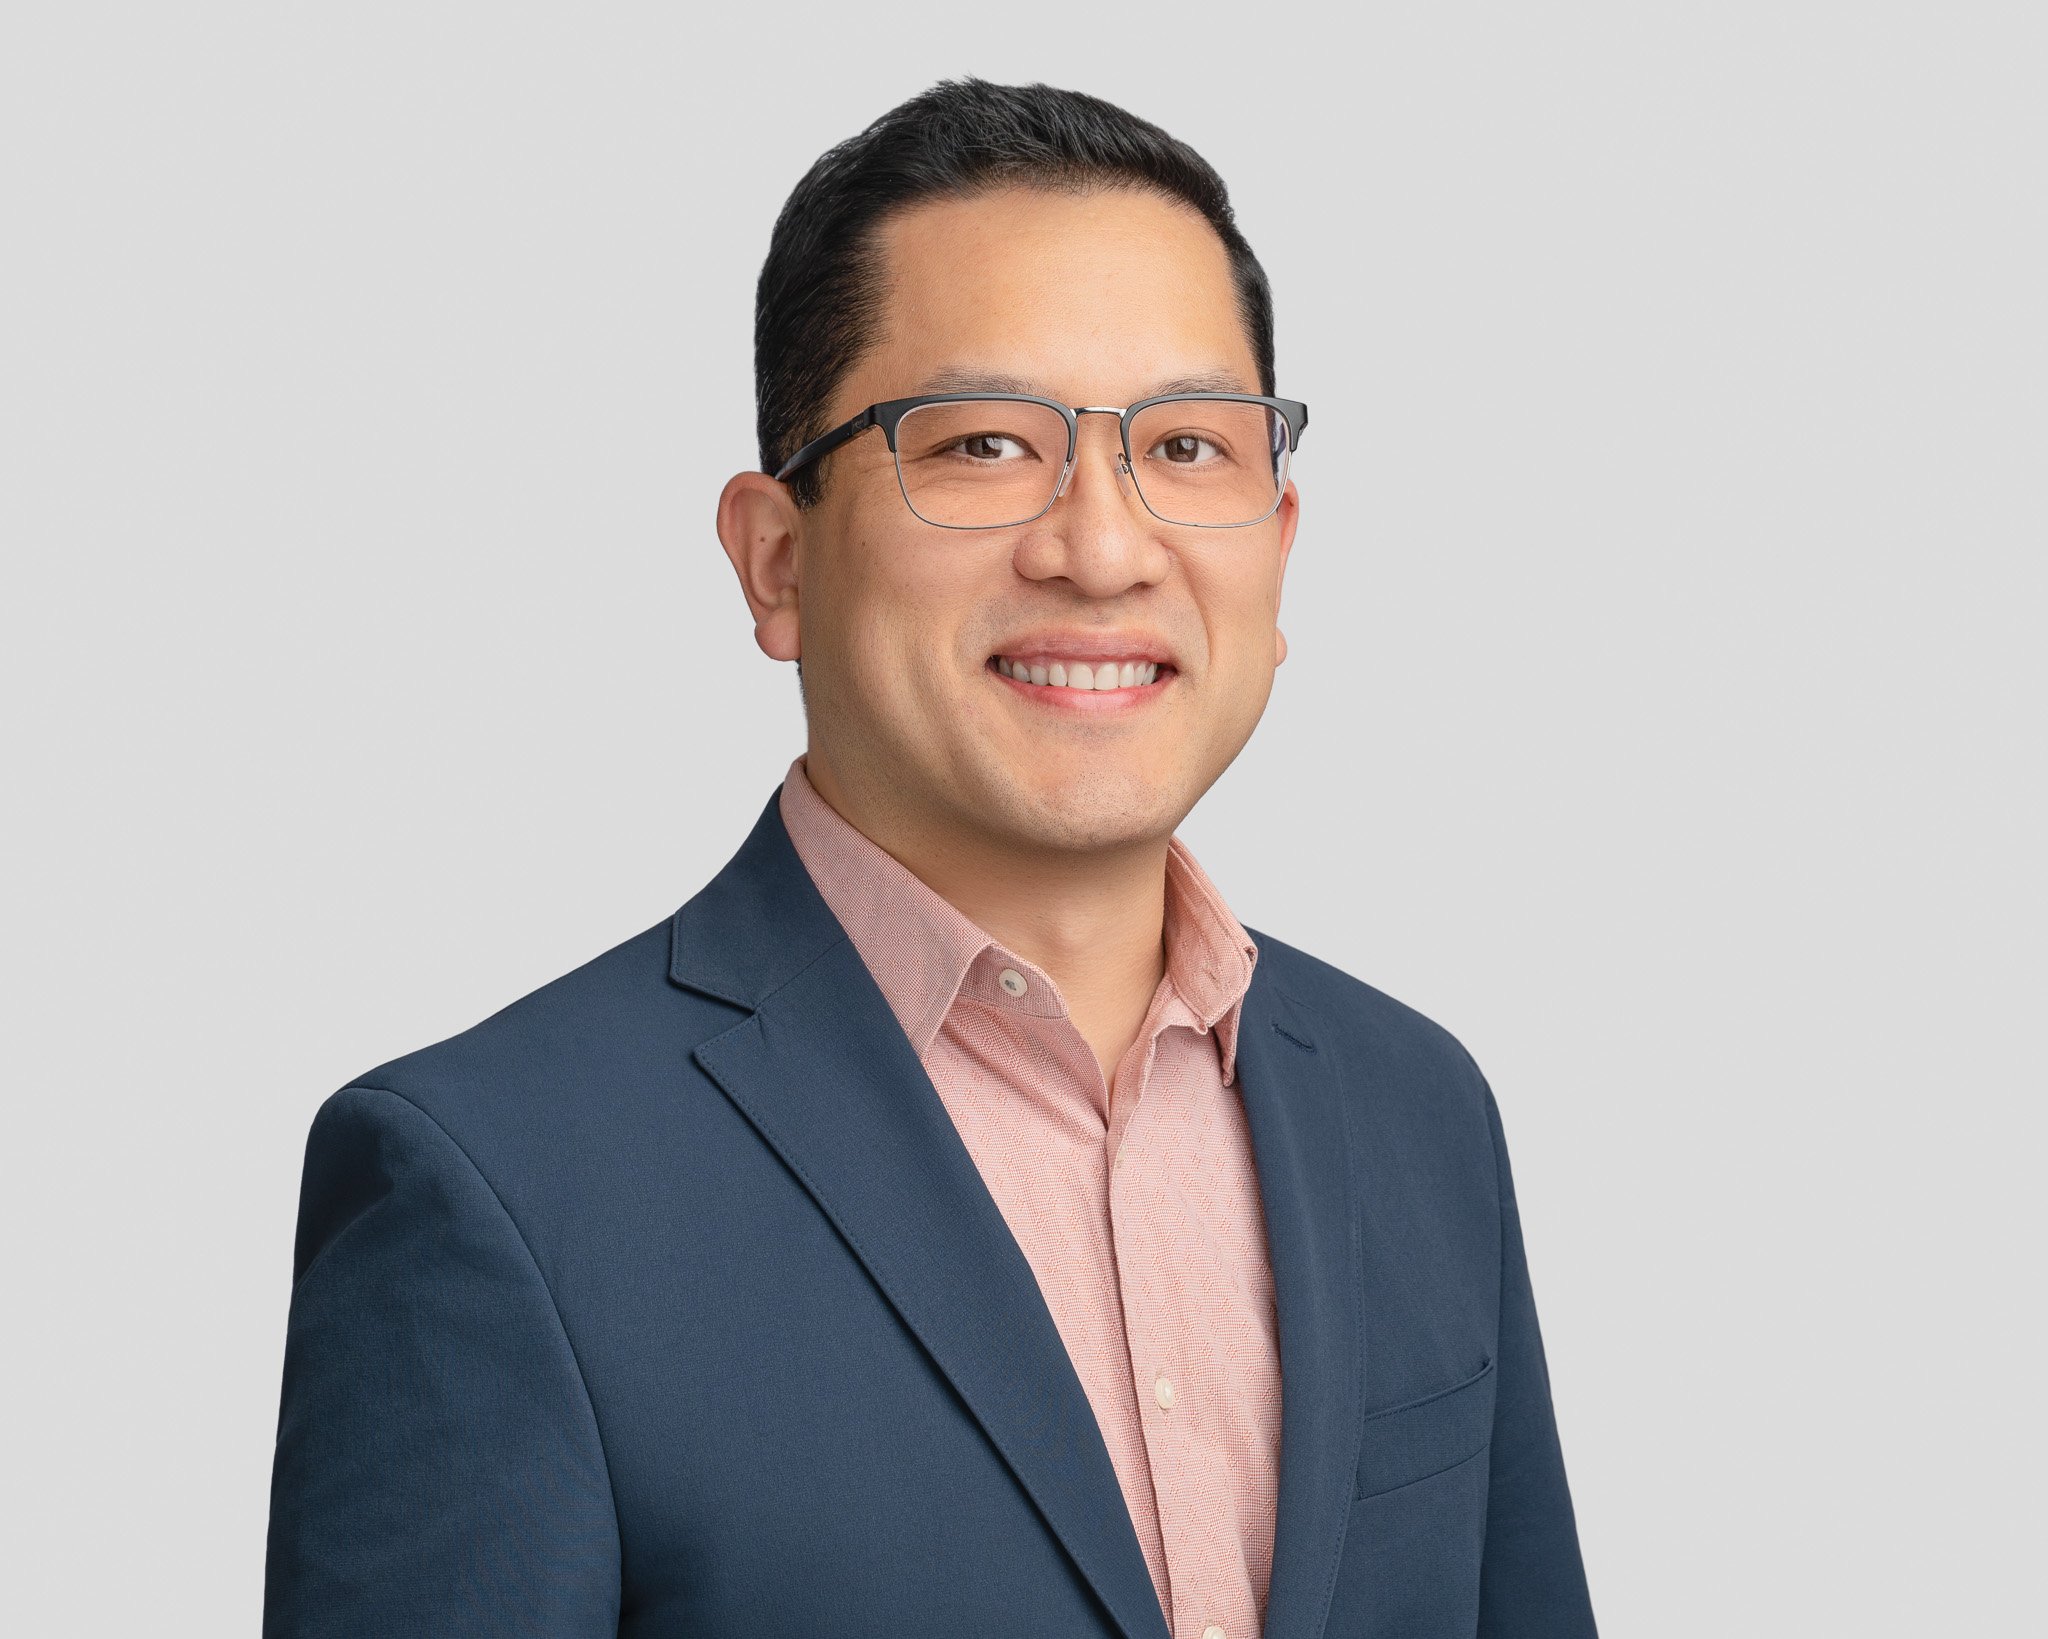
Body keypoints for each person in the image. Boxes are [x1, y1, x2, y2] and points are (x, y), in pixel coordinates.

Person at [262, 77, 1599, 1639]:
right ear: (777, 560)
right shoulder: (493, 1186)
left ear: (1279, 549)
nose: (1103, 548)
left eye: (1184, 447)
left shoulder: (1415, 1107)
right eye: (978, 445)